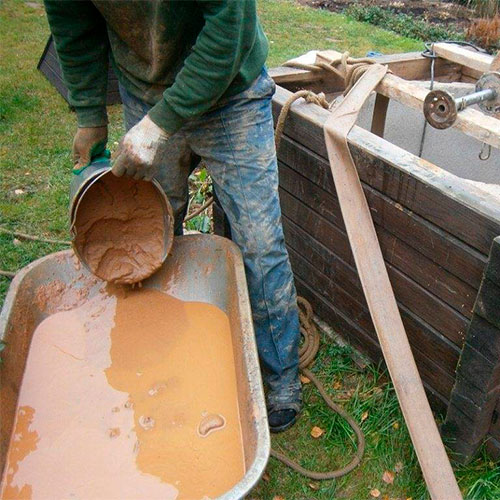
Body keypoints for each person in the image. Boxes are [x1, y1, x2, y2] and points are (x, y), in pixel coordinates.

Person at [44, 0, 301, 432]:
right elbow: (74, 26)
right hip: (144, 91)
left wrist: (158, 126)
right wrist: (89, 114)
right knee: (148, 236)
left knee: (260, 242)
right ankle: (162, 356)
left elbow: (228, 30)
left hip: (231, 96)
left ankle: (281, 380)